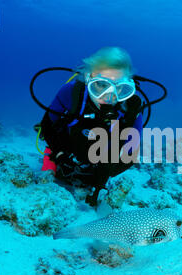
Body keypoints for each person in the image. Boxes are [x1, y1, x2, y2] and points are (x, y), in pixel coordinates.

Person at [38, 47, 143, 206]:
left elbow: (130, 152)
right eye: (101, 85)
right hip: (66, 146)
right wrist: (59, 154)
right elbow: (48, 125)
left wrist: (103, 175)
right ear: (88, 78)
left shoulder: (131, 108)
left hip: (103, 155)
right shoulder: (71, 92)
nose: (109, 96)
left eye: (119, 88)